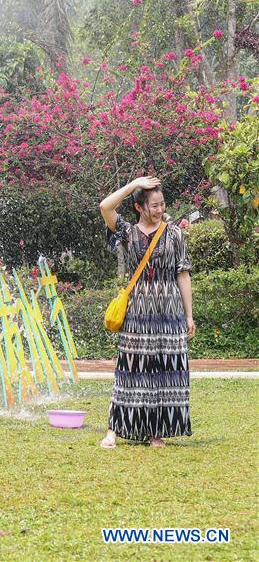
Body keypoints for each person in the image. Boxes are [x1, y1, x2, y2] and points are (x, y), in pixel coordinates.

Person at [98, 176, 194, 449]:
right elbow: (105, 206)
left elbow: (183, 274)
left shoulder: (175, 234)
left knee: (164, 371)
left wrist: (189, 315)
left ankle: (156, 432)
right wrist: (133, 185)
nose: (160, 209)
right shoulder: (127, 232)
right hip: (138, 311)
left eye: (162, 204)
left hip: (169, 312)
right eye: (154, 205)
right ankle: (114, 430)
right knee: (130, 367)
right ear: (139, 207)